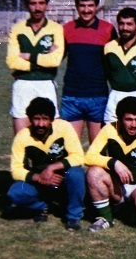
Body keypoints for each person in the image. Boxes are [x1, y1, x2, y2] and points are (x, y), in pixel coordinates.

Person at [85, 96, 136, 232]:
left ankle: (127, 210)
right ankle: (106, 218)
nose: (133, 124)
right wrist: (114, 163)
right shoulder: (109, 130)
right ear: (119, 119)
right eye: (129, 119)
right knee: (94, 173)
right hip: (116, 184)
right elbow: (88, 157)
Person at [7, 97, 85, 231]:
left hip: (63, 178)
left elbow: (78, 156)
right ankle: (42, 206)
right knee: (15, 192)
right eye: (36, 119)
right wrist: (39, 178)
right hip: (41, 181)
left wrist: (51, 168)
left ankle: (73, 216)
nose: (41, 124)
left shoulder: (64, 127)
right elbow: (16, 169)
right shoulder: (22, 136)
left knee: (76, 174)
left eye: (45, 119)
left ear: (52, 119)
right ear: (30, 119)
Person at [61, 0, 117, 143]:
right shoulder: (66, 29)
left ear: (96, 6)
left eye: (90, 6)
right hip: (72, 96)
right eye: (82, 6)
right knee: (71, 149)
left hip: (98, 97)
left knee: (97, 150)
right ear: (76, 6)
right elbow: (55, 58)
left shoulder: (108, 29)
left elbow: (116, 61)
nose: (86, 10)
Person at [6, 0, 64, 134]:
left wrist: (29, 57)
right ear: (27, 5)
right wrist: (43, 61)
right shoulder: (17, 29)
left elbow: (55, 60)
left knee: (48, 139)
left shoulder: (56, 29)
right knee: (22, 137)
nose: (37, 8)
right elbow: (12, 61)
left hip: (46, 85)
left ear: (47, 4)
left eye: (41, 3)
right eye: (33, 3)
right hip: (22, 85)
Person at [103, 8, 136, 127]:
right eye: (122, 24)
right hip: (116, 95)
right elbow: (106, 73)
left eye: (129, 24)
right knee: (112, 132)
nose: (125, 28)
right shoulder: (109, 47)